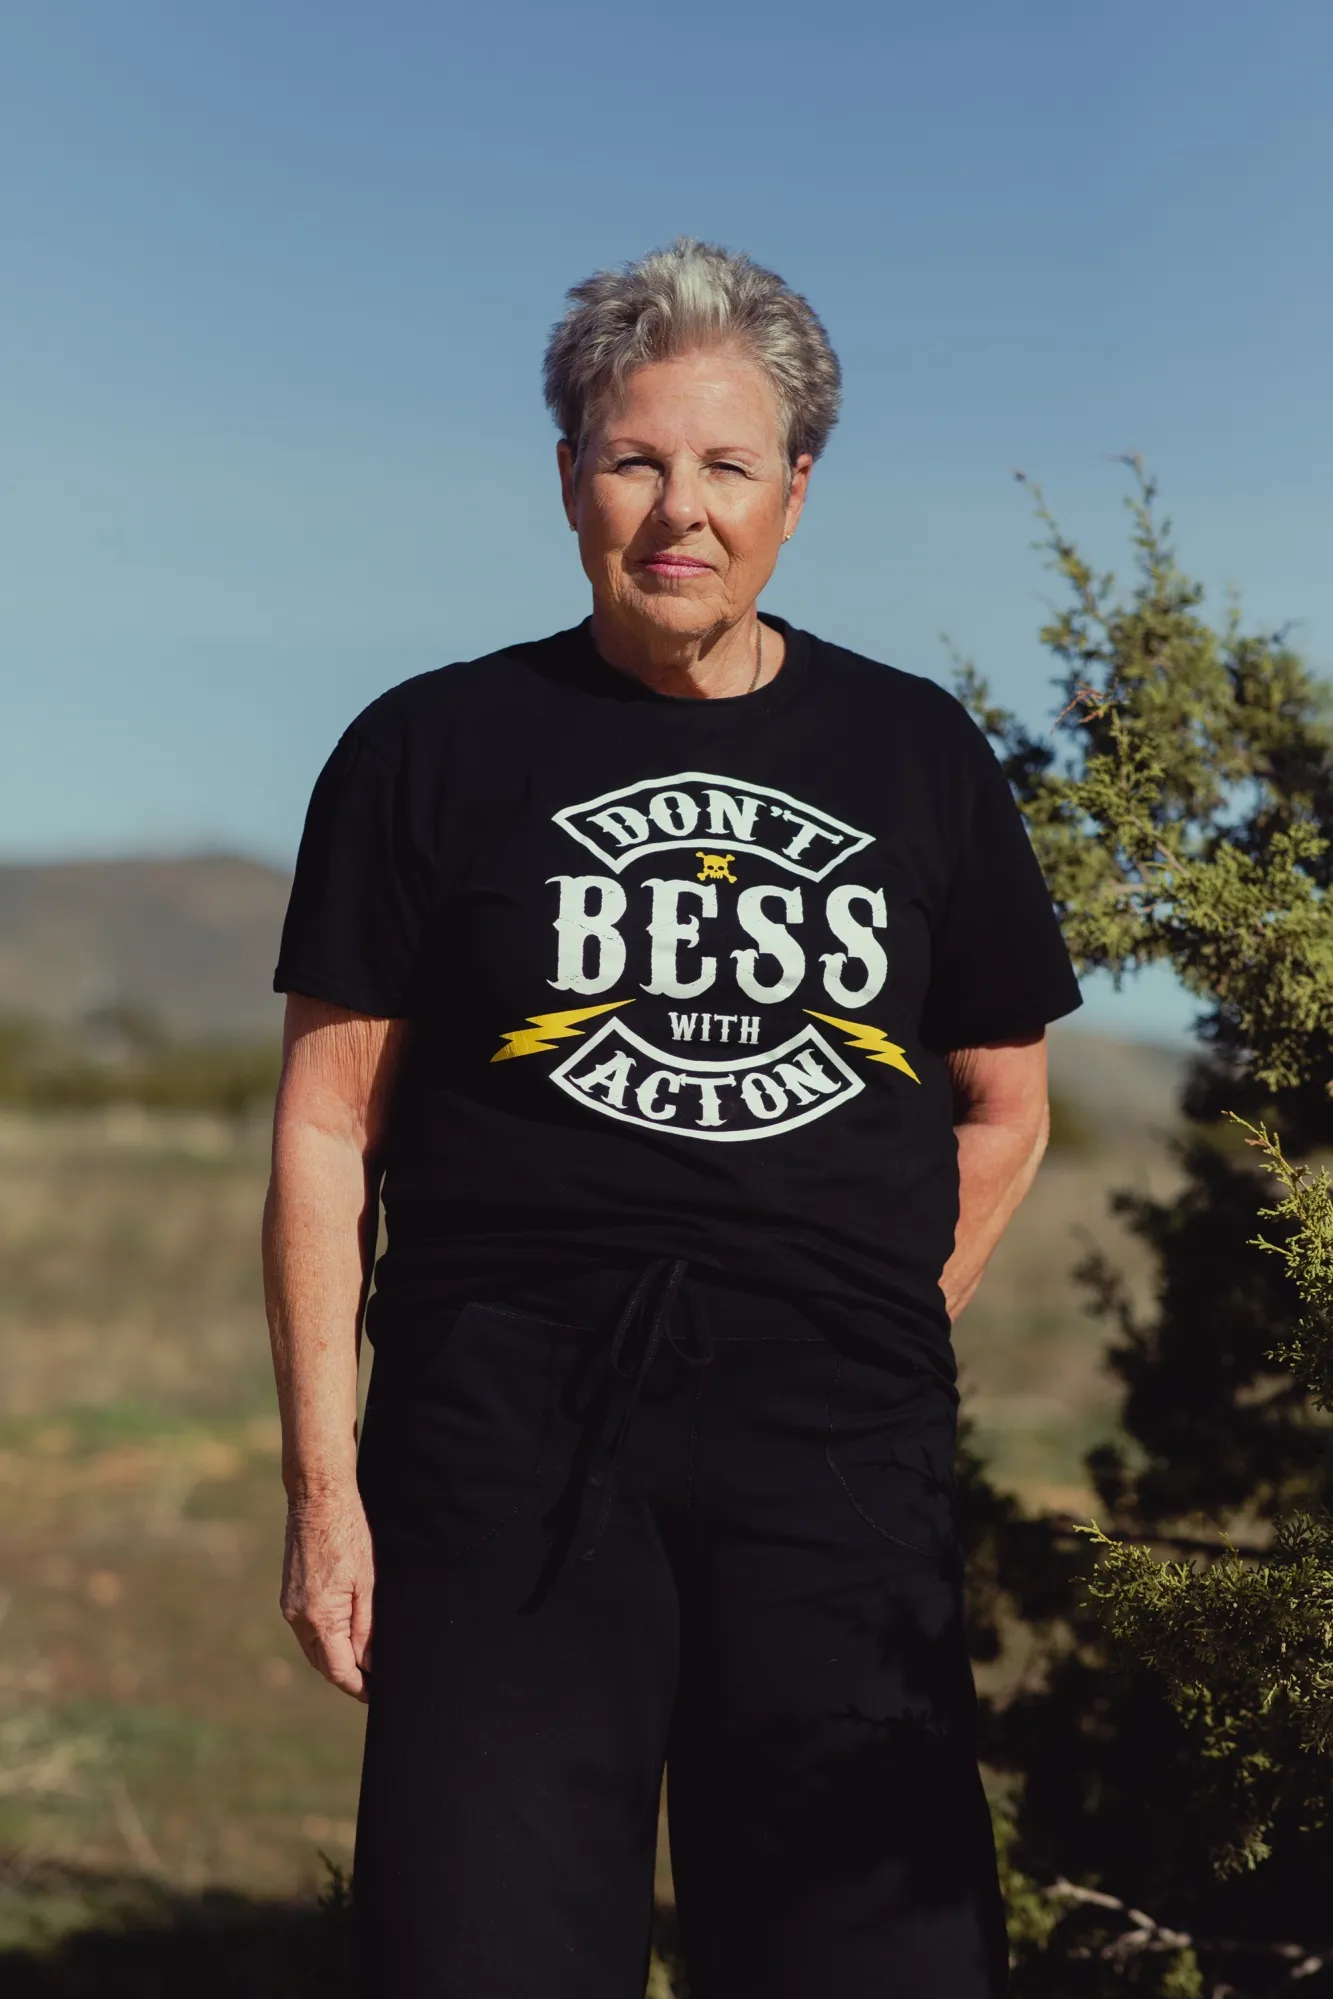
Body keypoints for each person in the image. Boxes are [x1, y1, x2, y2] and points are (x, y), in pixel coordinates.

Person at [263, 237, 1081, 1999]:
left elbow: (1006, 1108)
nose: (680, 511)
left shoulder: (917, 756)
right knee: (477, 1954)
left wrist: (876, 1307)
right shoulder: (428, 750)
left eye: (727, 464)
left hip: (837, 1457)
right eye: (636, 459)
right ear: (570, 476)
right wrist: (327, 1495)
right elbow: (328, 1137)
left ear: (799, 488)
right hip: (505, 1440)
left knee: (876, 1961)